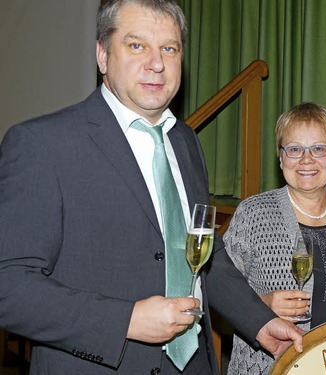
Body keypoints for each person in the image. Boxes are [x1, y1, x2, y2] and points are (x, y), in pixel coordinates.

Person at [0, 1, 303, 374]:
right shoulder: (42, 145)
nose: (156, 63)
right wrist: (125, 320)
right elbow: (9, 288)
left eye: (169, 48)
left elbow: (203, 250)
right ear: (102, 55)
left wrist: (258, 320)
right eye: (137, 45)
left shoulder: (186, 141)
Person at [223, 102, 326, 374]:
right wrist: (263, 305)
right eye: (294, 149)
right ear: (280, 158)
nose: (307, 159)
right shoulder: (253, 213)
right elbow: (218, 293)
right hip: (273, 366)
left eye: (319, 148)